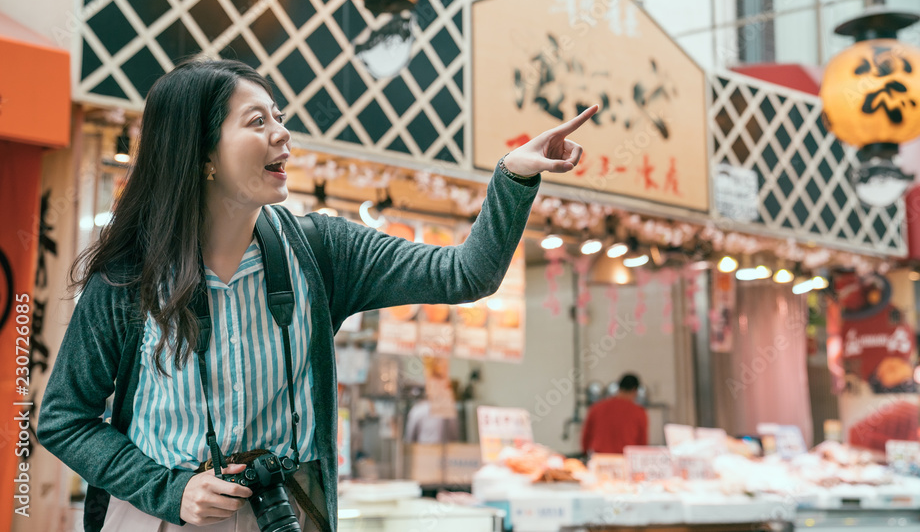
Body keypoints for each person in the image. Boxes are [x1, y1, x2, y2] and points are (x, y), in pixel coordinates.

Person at [38, 58, 597, 531]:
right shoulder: (130, 276)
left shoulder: (321, 250)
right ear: (201, 154)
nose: (283, 134)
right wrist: (168, 489)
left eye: (279, 117)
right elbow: (64, 418)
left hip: (286, 514)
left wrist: (514, 176)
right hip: (161, 516)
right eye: (257, 121)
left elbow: (466, 274)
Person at [581, 374, 648, 455]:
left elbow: (586, 437)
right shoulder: (639, 412)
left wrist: (585, 454)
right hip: (624, 459)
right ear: (635, 390)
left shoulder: (597, 408)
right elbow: (642, 444)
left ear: (619, 387)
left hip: (600, 458)